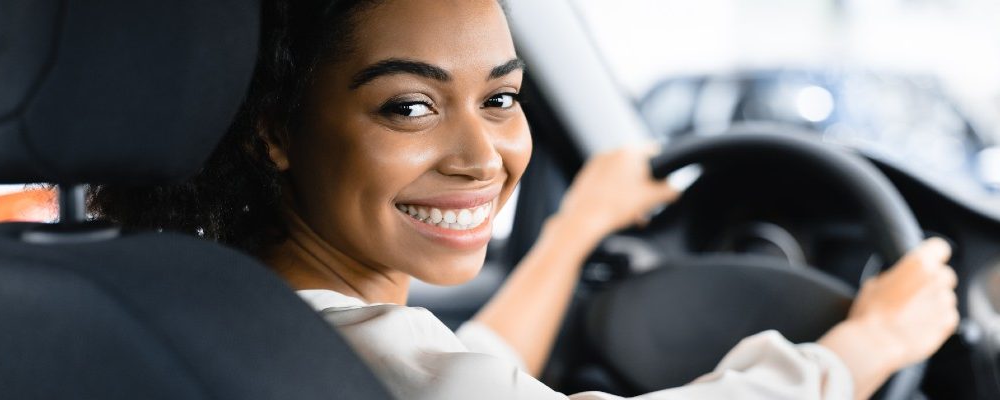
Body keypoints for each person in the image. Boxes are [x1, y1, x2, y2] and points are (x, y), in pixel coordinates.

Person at [89, 1, 960, 399]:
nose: (485, 157)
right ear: (274, 130)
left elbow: (454, 373)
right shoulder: (333, 352)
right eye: (411, 106)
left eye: (502, 98)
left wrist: (572, 230)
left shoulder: (206, 312)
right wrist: (860, 347)